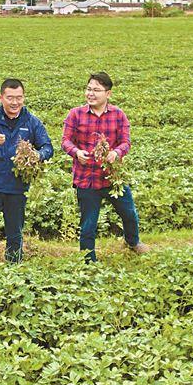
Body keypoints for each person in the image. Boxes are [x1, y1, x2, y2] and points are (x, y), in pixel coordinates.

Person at [61, 72, 150, 262]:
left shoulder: (118, 115)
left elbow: (126, 142)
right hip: (87, 179)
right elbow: (65, 141)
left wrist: (116, 153)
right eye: (89, 89)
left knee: (129, 213)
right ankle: (88, 259)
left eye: (96, 90)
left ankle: (132, 242)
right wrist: (76, 152)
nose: (90, 93)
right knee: (88, 224)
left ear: (108, 94)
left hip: (113, 178)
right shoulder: (75, 114)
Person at [0, 78, 53, 263]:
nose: (15, 102)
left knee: (15, 233)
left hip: (17, 187)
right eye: (10, 97)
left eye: (19, 97)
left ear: (23, 97)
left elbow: (48, 147)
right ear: (1, 98)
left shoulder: (31, 121)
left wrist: (36, 155)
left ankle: (13, 268)